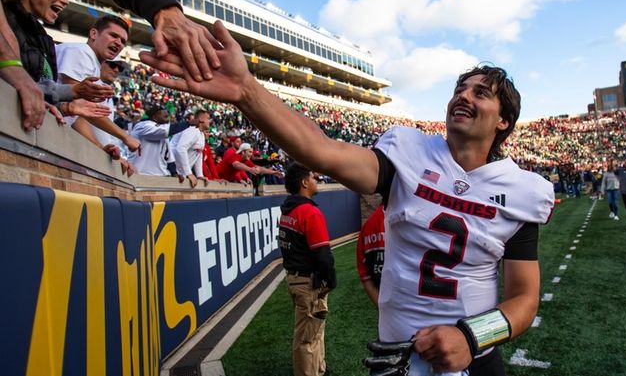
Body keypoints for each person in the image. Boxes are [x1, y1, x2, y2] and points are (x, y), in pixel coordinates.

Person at [140, 21, 555, 376]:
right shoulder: (409, 157)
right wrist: (247, 90)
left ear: (503, 120)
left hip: (478, 361)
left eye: (481, 93)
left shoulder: (520, 190)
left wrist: (470, 336)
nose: (464, 96)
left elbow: (524, 300)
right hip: (399, 358)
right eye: (460, 88)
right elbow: (321, 150)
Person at [1, 0, 222, 131]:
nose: (66, 0)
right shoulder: (75, 49)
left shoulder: (43, 38)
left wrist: (67, 101)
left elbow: (36, 90)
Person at [277, 163, 336, 376]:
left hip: (295, 279)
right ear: (304, 182)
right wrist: (330, 279)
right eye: (312, 176)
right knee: (307, 338)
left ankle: (319, 369)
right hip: (308, 283)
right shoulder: (309, 211)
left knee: (314, 331)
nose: (316, 179)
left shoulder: (287, 210)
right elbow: (322, 254)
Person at [56, 15, 141, 155]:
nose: (118, 43)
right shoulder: (81, 52)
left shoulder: (92, 62)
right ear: (93, 33)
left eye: (123, 41)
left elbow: (77, 114)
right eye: (113, 35)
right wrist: (125, 136)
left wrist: (99, 148)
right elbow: (81, 105)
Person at [356, 204, 385, 307]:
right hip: (425, 312)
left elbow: (365, 275)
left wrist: (385, 312)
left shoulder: (369, 224)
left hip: (389, 311)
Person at [171, 109, 210, 188]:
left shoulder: (201, 134)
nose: (210, 121)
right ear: (201, 120)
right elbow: (180, 149)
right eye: (208, 118)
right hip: (172, 171)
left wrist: (199, 175)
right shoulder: (192, 130)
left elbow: (198, 153)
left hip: (182, 173)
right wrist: (189, 173)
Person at [217, 141, 281, 184]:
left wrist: (273, 172)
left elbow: (259, 168)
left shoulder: (246, 161)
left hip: (223, 180)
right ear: (243, 152)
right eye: (249, 152)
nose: (251, 154)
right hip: (215, 177)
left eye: (252, 152)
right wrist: (249, 169)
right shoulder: (234, 156)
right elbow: (236, 164)